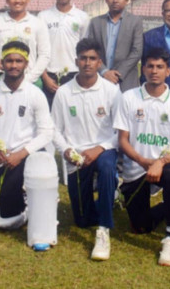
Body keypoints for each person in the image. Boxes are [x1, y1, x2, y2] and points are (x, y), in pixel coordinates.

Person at [115, 48, 170, 266]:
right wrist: (143, 161)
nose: (154, 71)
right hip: (137, 168)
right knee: (140, 227)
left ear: (168, 71)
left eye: (159, 67)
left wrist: (160, 162)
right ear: (143, 69)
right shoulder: (129, 97)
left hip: (163, 167)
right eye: (150, 66)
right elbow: (122, 140)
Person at [53, 38, 121, 260]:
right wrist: (66, 150)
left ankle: (104, 229)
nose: (87, 63)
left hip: (104, 150)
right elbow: (54, 130)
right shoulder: (64, 92)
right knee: (82, 221)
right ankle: (110, 195)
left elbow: (120, 132)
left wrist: (99, 148)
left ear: (99, 62)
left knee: (107, 167)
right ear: (76, 61)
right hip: (77, 156)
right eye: (83, 58)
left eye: (92, 59)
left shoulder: (111, 91)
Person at [0, 41, 53, 231]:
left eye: (19, 61)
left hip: (26, 155)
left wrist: (21, 154)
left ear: (26, 64)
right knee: (7, 211)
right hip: (0, 157)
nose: (14, 65)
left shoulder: (35, 94)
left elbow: (46, 132)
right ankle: (21, 194)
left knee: (9, 208)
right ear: (2, 62)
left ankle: (30, 192)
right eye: (9, 61)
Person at [39, 0, 90, 107]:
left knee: (72, 115)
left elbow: (84, 50)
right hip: (49, 75)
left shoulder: (82, 17)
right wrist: (45, 77)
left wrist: (81, 76)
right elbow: (39, 49)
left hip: (73, 74)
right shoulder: (43, 16)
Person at [85, 0, 143, 92]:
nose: (115, 0)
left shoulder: (135, 22)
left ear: (126, 0)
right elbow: (92, 51)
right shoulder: (96, 22)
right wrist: (104, 71)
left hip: (126, 80)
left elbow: (137, 52)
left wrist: (117, 74)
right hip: (100, 79)